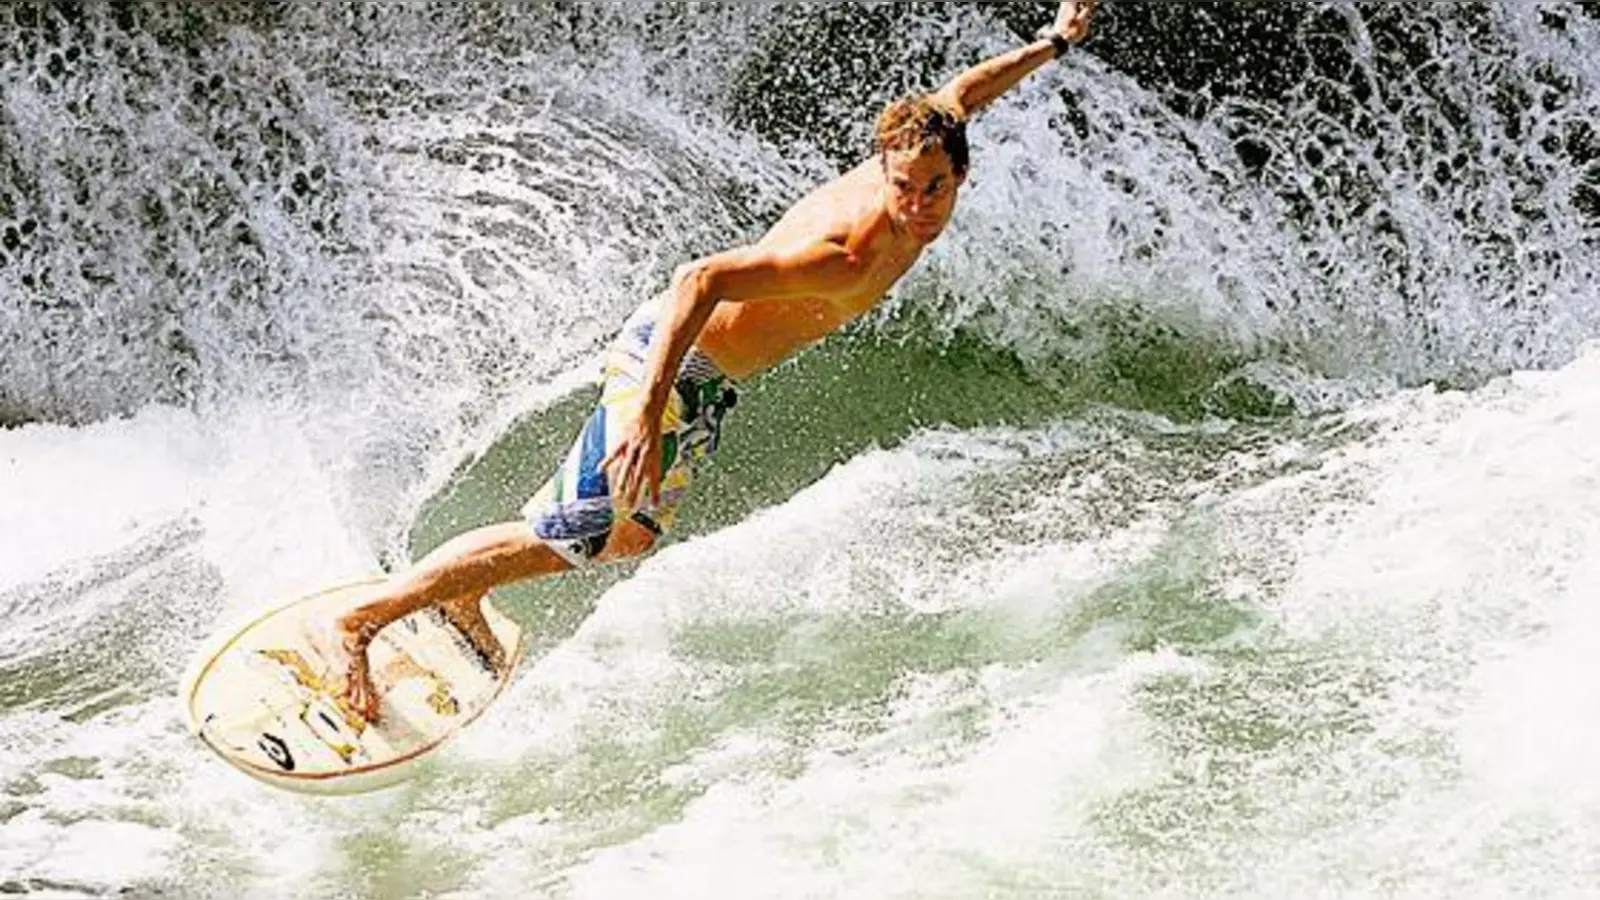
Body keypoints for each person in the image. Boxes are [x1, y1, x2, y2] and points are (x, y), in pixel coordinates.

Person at [317, 1, 1099, 721]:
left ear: (959, 171)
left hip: (708, 382)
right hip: (671, 360)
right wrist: (646, 408)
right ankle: (362, 621)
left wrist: (1054, 43)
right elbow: (701, 278)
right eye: (904, 189)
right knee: (571, 532)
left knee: (628, 537)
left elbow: (965, 91)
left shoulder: (927, 141)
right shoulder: (849, 253)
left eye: (934, 188)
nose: (918, 205)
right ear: (886, 173)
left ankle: (465, 593)